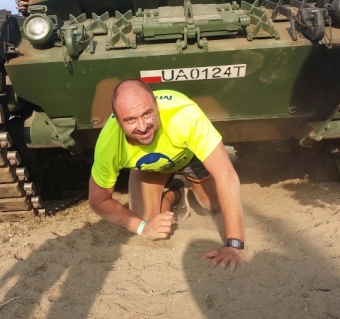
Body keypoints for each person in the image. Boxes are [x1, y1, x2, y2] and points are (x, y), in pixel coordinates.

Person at [88, 79, 245, 270]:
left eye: (147, 114)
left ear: (157, 107)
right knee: (147, 222)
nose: (142, 127)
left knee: (211, 204)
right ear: (118, 121)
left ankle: (190, 184)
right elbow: (98, 200)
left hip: (189, 157)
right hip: (149, 167)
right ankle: (175, 191)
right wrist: (142, 227)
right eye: (130, 120)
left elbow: (226, 174)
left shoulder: (184, 113)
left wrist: (234, 244)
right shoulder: (108, 142)